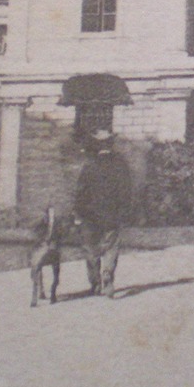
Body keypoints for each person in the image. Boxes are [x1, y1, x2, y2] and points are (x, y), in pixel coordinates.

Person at [73, 128, 133, 299]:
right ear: (111, 144)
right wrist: (124, 212)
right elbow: (126, 191)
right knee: (111, 246)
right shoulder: (120, 164)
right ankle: (107, 274)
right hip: (112, 214)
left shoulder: (89, 166)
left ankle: (95, 282)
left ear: (96, 145)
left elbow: (80, 191)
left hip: (90, 215)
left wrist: (77, 213)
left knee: (90, 249)